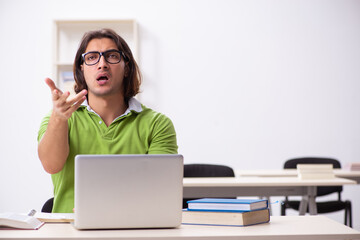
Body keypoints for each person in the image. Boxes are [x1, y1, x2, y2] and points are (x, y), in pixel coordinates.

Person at [38, 28, 178, 213]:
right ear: (82, 68)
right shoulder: (58, 119)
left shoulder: (157, 124)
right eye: (91, 57)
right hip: (69, 230)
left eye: (112, 56)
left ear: (126, 67)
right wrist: (58, 119)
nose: (102, 64)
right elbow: (51, 166)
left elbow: (161, 188)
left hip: (134, 228)